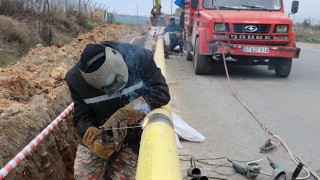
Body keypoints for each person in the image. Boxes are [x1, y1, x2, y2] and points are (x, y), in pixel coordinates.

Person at [65, 41, 170, 179]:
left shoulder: (140, 58)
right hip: (102, 134)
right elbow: (81, 118)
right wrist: (93, 138)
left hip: (134, 133)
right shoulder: (76, 80)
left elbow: (161, 93)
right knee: (84, 175)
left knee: (125, 176)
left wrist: (128, 113)